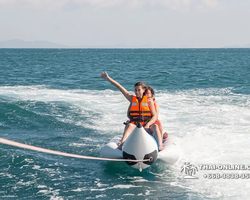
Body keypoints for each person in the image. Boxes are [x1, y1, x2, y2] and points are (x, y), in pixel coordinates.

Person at [99, 71, 163, 151]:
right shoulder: (132, 99)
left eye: (139, 90)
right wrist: (108, 78)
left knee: (156, 126)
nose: (137, 92)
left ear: (143, 90)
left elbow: (155, 116)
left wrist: (148, 124)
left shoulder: (149, 100)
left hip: (146, 125)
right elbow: (120, 87)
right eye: (135, 90)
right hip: (135, 125)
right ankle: (122, 144)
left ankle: (160, 145)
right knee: (129, 125)